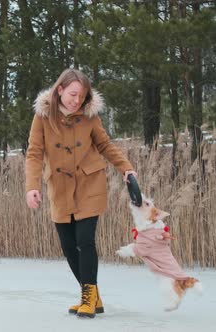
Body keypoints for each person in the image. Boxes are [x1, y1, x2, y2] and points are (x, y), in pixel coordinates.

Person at [24, 68, 137, 318]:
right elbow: (34, 153)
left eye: (82, 96)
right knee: (67, 245)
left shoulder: (89, 116)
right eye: (73, 94)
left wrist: (126, 168)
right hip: (60, 188)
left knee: (85, 240)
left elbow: (105, 144)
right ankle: (92, 296)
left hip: (89, 183)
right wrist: (32, 186)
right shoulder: (42, 117)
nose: (77, 100)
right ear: (60, 89)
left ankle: (87, 296)